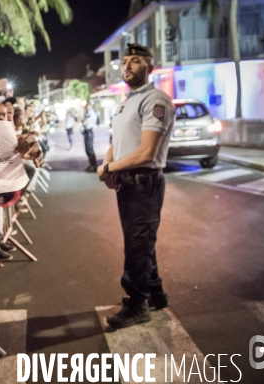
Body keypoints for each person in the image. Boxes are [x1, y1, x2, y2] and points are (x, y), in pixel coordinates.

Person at [97, 43, 175, 329]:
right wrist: (109, 168)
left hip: (144, 183)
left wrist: (108, 168)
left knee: (137, 244)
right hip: (127, 183)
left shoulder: (156, 100)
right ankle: (154, 293)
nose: (127, 65)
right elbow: (115, 143)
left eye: (135, 61)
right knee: (142, 241)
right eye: (125, 61)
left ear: (149, 67)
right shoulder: (127, 101)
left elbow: (147, 153)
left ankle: (137, 303)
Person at [82, 105, 98, 172]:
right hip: (86, 132)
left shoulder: (91, 114)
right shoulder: (88, 113)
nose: (86, 107)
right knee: (87, 149)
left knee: (90, 149)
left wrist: (83, 122)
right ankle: (91, 165)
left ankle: (94, 166)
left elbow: (85, 122)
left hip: (89, 132)